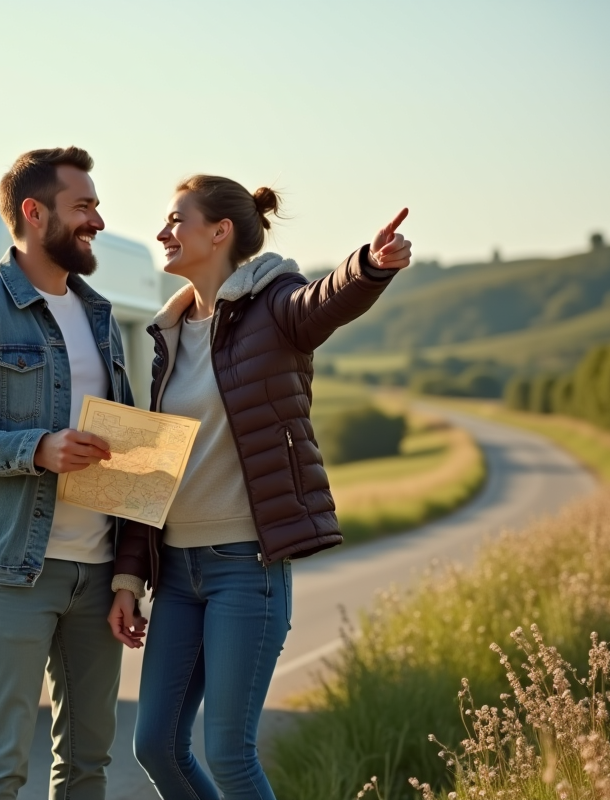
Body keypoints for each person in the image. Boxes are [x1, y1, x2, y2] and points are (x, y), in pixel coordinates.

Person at [107, 175, 412, 799]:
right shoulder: (168, 335)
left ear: (220, 231)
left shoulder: (273, 306)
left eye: (176, 220)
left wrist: (368, 266)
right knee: (155, 746)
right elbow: (150, 467)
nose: (162, 233)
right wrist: (128, 577)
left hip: (245, 568)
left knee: (229, 754)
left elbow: (323, 301)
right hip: (177, 573)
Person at [0, 146, 138, 800]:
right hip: (13, 570)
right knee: (1, 768)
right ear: (34, 213)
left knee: (88, 764)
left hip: (98, 572)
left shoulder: (101, 316)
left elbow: (125, 447)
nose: (97, 220)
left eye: (97, 205)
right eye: (83, 206)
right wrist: (37, 448)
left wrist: (128, 576)